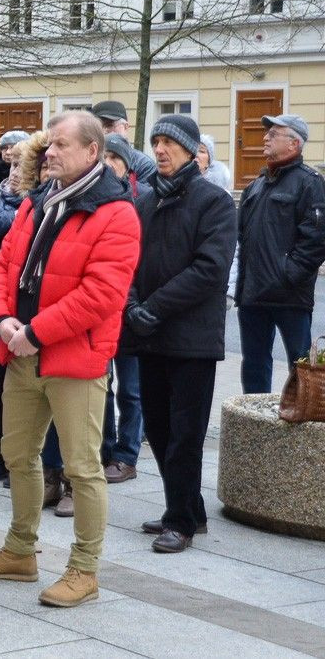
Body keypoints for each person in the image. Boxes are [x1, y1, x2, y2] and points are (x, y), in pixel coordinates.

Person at [0, 110, 140, 608]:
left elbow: (101, 295)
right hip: (20, 353)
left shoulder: (116, 212)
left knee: (82, 469)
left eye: (60, 145)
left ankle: (84, 570)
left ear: (92, 152)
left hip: (73, 360)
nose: (49, 152)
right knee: (17, 455)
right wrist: (1, 320)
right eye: (49, 144)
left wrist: (36, 332)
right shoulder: (35, 204)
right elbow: (4, 268)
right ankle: (20, 551)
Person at [119, 114, 236, 553]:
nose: (160, 150)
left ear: (190, 149)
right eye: (156, 142)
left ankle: (181, 521)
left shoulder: (215, 202)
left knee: (185, 433)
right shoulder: (145, 201)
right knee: (160, 427)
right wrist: (131, 304)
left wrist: (154, 307)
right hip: (147, 334)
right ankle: (190, 508)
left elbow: (209, 270)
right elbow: (127, 258)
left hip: (191, 338)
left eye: (169, 142)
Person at [0, 130, 47, 483]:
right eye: (12, 163)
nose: (13, 172)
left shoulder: (39, 205)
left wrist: (13, 215)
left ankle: (29, 460)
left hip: (28, 310)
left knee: (26, 392)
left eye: (21, 164)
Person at [235, 113, 325, 393]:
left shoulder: (310, 183)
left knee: (300, 369)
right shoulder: (256, 185)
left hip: (290, 296)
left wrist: (288, 274)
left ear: (294, 144)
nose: (265, 138)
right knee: (254, 366)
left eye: (274, 134)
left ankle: (300, 428)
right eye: (267, 133)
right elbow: (242, 237)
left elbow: (316, 239)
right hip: (252, 296)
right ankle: (255, 423)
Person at [97, 134, 153, 484]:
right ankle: (104, 449)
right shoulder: (94, 198)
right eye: (102, 158)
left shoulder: (145, 198)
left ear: (125, 163)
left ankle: (127, 454)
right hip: (102, 308)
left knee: (132, 388)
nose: (107, 165)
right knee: (101, 384)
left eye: (113, 158)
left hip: (132, 307)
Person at [91, 100, 156, 184]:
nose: (104, 131)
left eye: (109, 125)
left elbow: (146, 195)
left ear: (126, 127)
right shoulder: (88, 161)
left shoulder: (143, 165)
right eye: (99, 126)